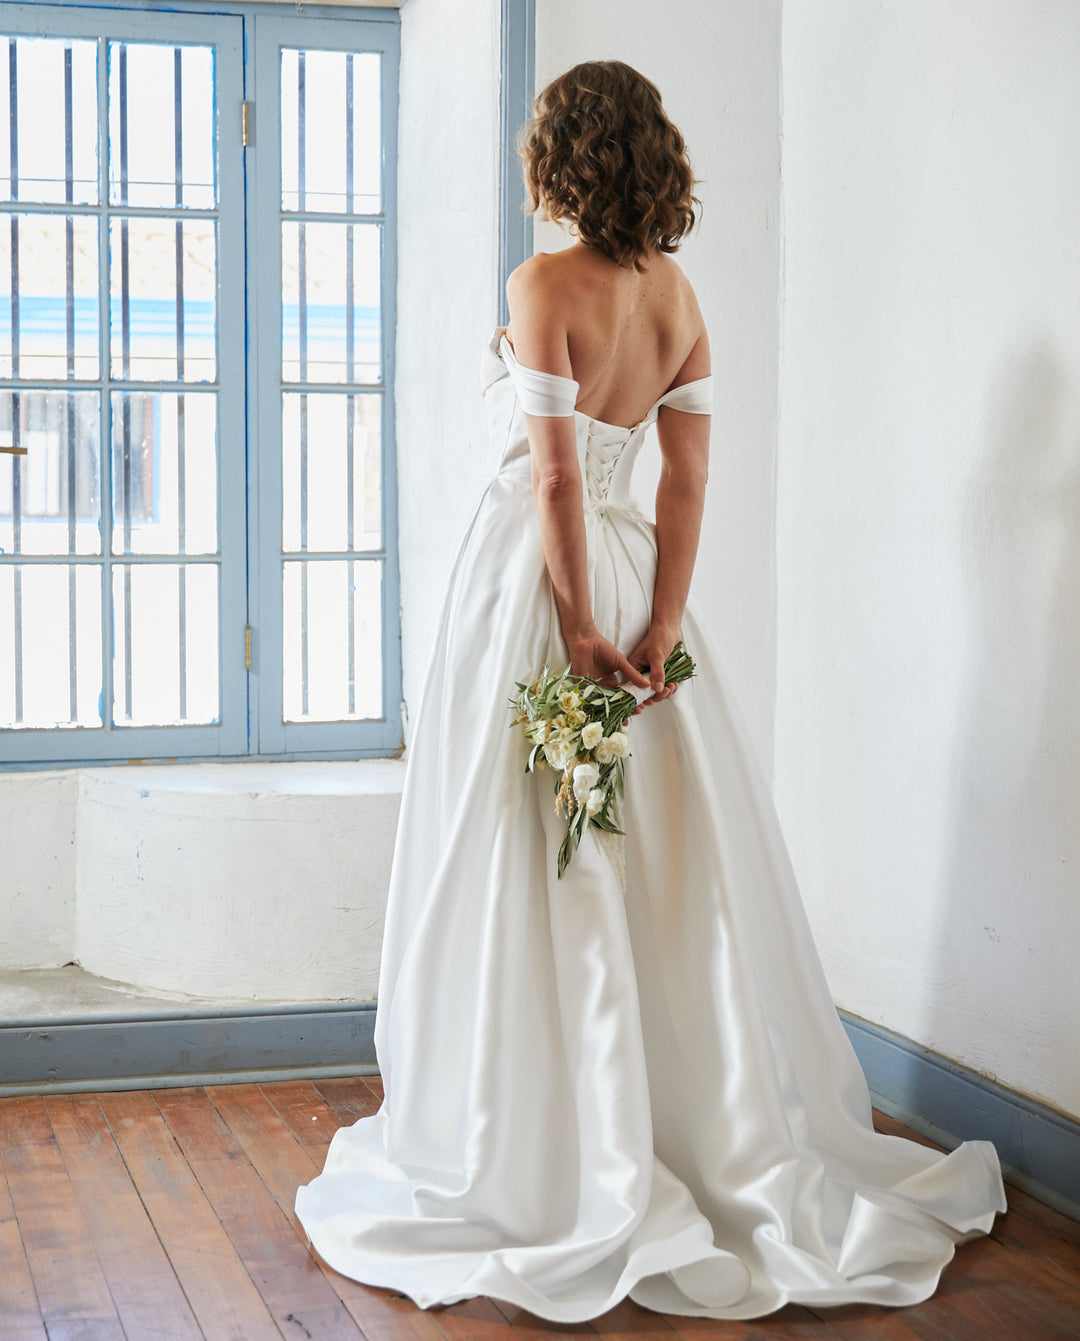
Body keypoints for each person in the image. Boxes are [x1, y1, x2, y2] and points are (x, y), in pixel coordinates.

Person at [295, 60, 1006, 1323]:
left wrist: (575, 629)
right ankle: (676, 1116)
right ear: (654, 154)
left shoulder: (541, 283)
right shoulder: (677, 296)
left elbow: (557, 482)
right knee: (661, 856)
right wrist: (661, 619)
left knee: (508, 836)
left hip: (538, 585)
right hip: (636, 576)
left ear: (558, 158)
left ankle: (532, 1135)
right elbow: (681, 482)